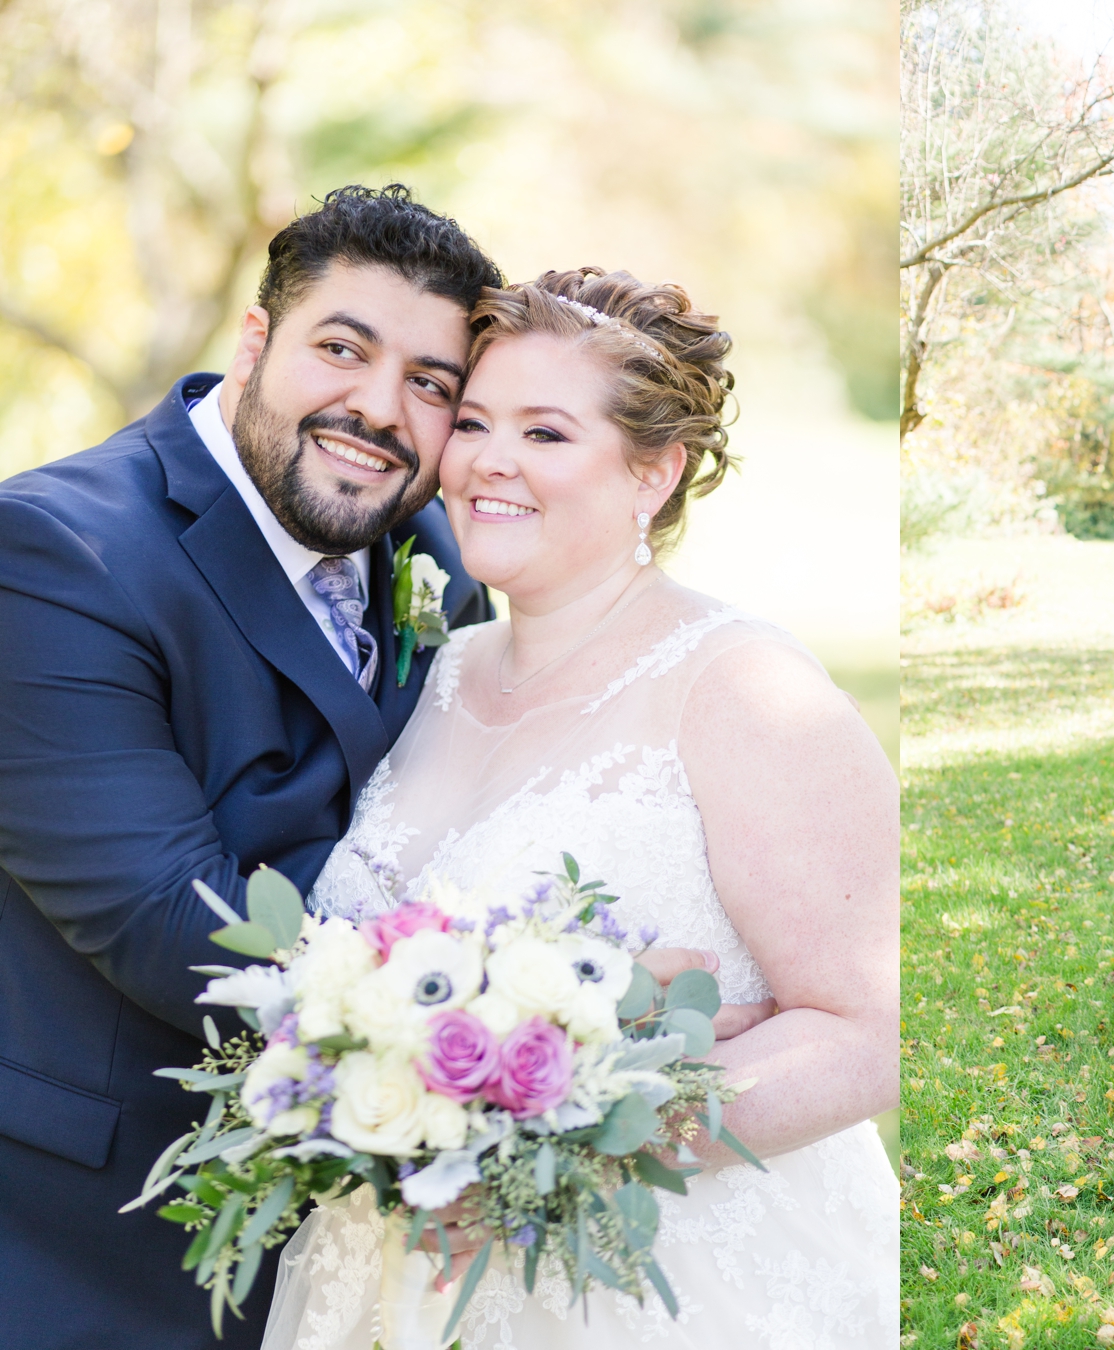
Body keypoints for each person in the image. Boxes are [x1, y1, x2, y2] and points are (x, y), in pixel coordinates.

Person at [260, 270, 900, 1349]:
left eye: (546, 434)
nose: (486, 462)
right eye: (470, 423)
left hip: (656, 1288)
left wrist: (546, 1152)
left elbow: (867, 1031)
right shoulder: (438, 672)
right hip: (382, 1284)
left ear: (655, 469)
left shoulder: (743, 688)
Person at [0, 186, 501, 1349]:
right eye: (343, 348)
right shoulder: (52, 552)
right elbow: (174, 923)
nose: (379, 411)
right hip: (102, 1228)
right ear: (255, 339)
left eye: (430, 383)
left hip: (371, 1231)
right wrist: (518, 1021)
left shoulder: (433, 546)